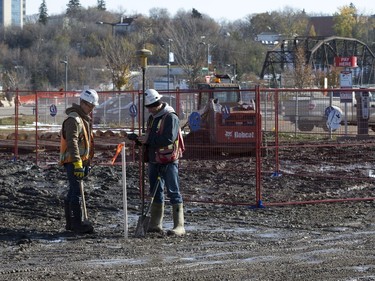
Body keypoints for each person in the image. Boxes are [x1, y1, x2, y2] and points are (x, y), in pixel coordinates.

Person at [138, 89, 185, 236]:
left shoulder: (170, 117)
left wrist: (148, 140)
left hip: (169, 160)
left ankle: (179, 226)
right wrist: (141, 141)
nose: (149, 110)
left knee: (173, 191)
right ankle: (155, 224)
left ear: (156, 104)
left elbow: (168, 139)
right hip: (154, 159)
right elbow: (151, 136)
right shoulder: (152, 118)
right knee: (156, 191)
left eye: (150, 107)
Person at [59, 89, 99, 234]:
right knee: (76, 192)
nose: (92, 109)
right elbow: (72, 142)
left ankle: (71, 223)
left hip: (81, 161)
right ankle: (76, 224)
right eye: (90, 106)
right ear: (83, 103)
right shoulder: (73, 119)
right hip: (73, 161)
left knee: (73, 191)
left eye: (93, 107)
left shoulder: (83, 119)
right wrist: (77, 164)